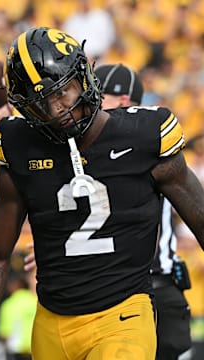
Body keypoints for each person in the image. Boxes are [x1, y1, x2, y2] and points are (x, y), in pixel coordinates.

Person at [0, 27, 204, 360]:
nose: (57, 109)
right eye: (41, 103)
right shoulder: (18, 146)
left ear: (83, 76)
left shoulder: (143, 135)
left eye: (63, 92)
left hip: (123, 315)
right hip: (51, 322)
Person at [94, 63, 192, 360]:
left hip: (152, 287)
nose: (91, 106)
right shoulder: (99, 144)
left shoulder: (145, 139)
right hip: (114, 290)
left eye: (100, 98)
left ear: (124, 101)